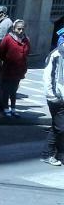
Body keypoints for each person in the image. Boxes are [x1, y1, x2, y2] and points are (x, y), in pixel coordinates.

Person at [0, 19, 30, 118]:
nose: (21, 31)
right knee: (6, 90)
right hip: (8, 69)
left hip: (19, 70)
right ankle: (6, 108)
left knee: (14, 90)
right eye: (19, 29)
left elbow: (27, 53)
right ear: (14, 29)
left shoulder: (26, 40)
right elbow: (1, 53)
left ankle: (13, 109)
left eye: (22, 29)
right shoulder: (8, 39)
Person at [42, 32, 64, 166]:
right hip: (57, 98)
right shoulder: (55, 55)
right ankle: (48, 154)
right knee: (60, 127)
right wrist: (53, 96)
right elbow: (47, 77)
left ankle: (57, 153)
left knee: (58, 126)